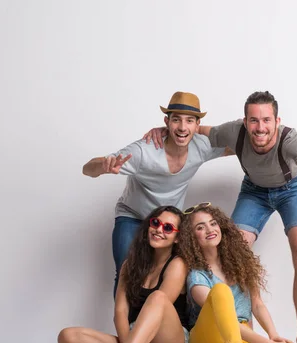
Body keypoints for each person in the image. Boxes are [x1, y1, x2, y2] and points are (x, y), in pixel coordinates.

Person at [144, 91, 297, 343]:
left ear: (277, 120)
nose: (260, 127)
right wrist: (165, 130)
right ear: (245, 122)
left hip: (292, 188)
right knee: (230, 250)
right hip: (255, 191)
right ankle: (234, 332)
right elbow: (196, 128)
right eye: (254, 121)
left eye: (266, 120)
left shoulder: (291, 139)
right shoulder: (234, 132)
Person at [82, 92, 227, 297]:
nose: (182, 128)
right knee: (126, 273)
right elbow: (87, 169)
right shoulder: (144, 151)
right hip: (132, 217)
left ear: (197, 125)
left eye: (189, 121)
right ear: (167, 122)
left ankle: (161, 326)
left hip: (168, 222)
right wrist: (102, 166)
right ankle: (128, 328)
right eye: (176, 120)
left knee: (175, 274)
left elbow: (239, 142)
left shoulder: (201, 146)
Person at [57, 206, 190, 343]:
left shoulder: (178, 264)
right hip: (135, 340)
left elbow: (158, 310)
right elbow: (120, 311)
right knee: (67, 336)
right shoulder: (130, 264)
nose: (159, 230)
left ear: (177, 238)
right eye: (156, 223)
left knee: (158, 297)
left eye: (168, 228)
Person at [175, 203, 297, 343]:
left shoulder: (240, 265)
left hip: (242, 337)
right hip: (210, 340)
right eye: (200, 227)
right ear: (192, 237)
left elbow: (257, 304)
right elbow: (223, 320)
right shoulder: (197, 275)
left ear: (221, 227)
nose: (210, 229)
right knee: (221, 291)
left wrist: (273, 336)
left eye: (213, 223)